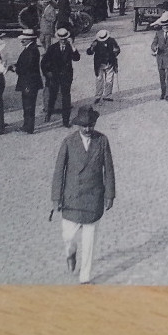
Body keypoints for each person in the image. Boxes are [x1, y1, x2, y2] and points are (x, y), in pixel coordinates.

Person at [51, 106, 115, 285]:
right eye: (84, 126)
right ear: (78, 125)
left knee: (90, 240)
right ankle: (70, 252)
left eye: (91, 125)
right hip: (72, 197)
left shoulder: (102, 141)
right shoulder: (68, 142)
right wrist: (56, 197)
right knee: (68, 236)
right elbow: (58, 171)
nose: (87, 129)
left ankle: (85, 276)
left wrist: (110, 194)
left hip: (94, 197)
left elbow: (108, 169)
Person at [41, 27, 81, 127]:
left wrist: (72, 45)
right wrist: (47, 73)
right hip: (54, 76)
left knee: (66, 98)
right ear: (58, 38)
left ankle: (66, 121)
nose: (63, 40)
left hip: (66, 76)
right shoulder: (52, 48)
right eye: (61, 39)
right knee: (52, 96)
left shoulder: (69, 47)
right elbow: (44, 62)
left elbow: (77, 58)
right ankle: (48, 114)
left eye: (65, 38)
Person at [14, 30, 43, 134]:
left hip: (29, 83)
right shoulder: (31, 49)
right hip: (29, 82)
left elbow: (27, 68)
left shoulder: (31, 51)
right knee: (27, 105)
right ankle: (26, 125)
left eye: (23, 39)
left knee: (29, 105)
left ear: (29, 39)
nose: (21, 41)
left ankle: (29, 127)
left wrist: (15, 68)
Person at [86, 29, 121, 104]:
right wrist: (92, 48)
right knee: (99, 79)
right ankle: (98, 96)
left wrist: (115, 52)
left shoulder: (112, 41)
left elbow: (117, 50)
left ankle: (107, 95)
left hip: (110, 63)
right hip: (99, 64)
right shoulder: (95, 43)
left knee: (109, 79)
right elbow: (89, 52)